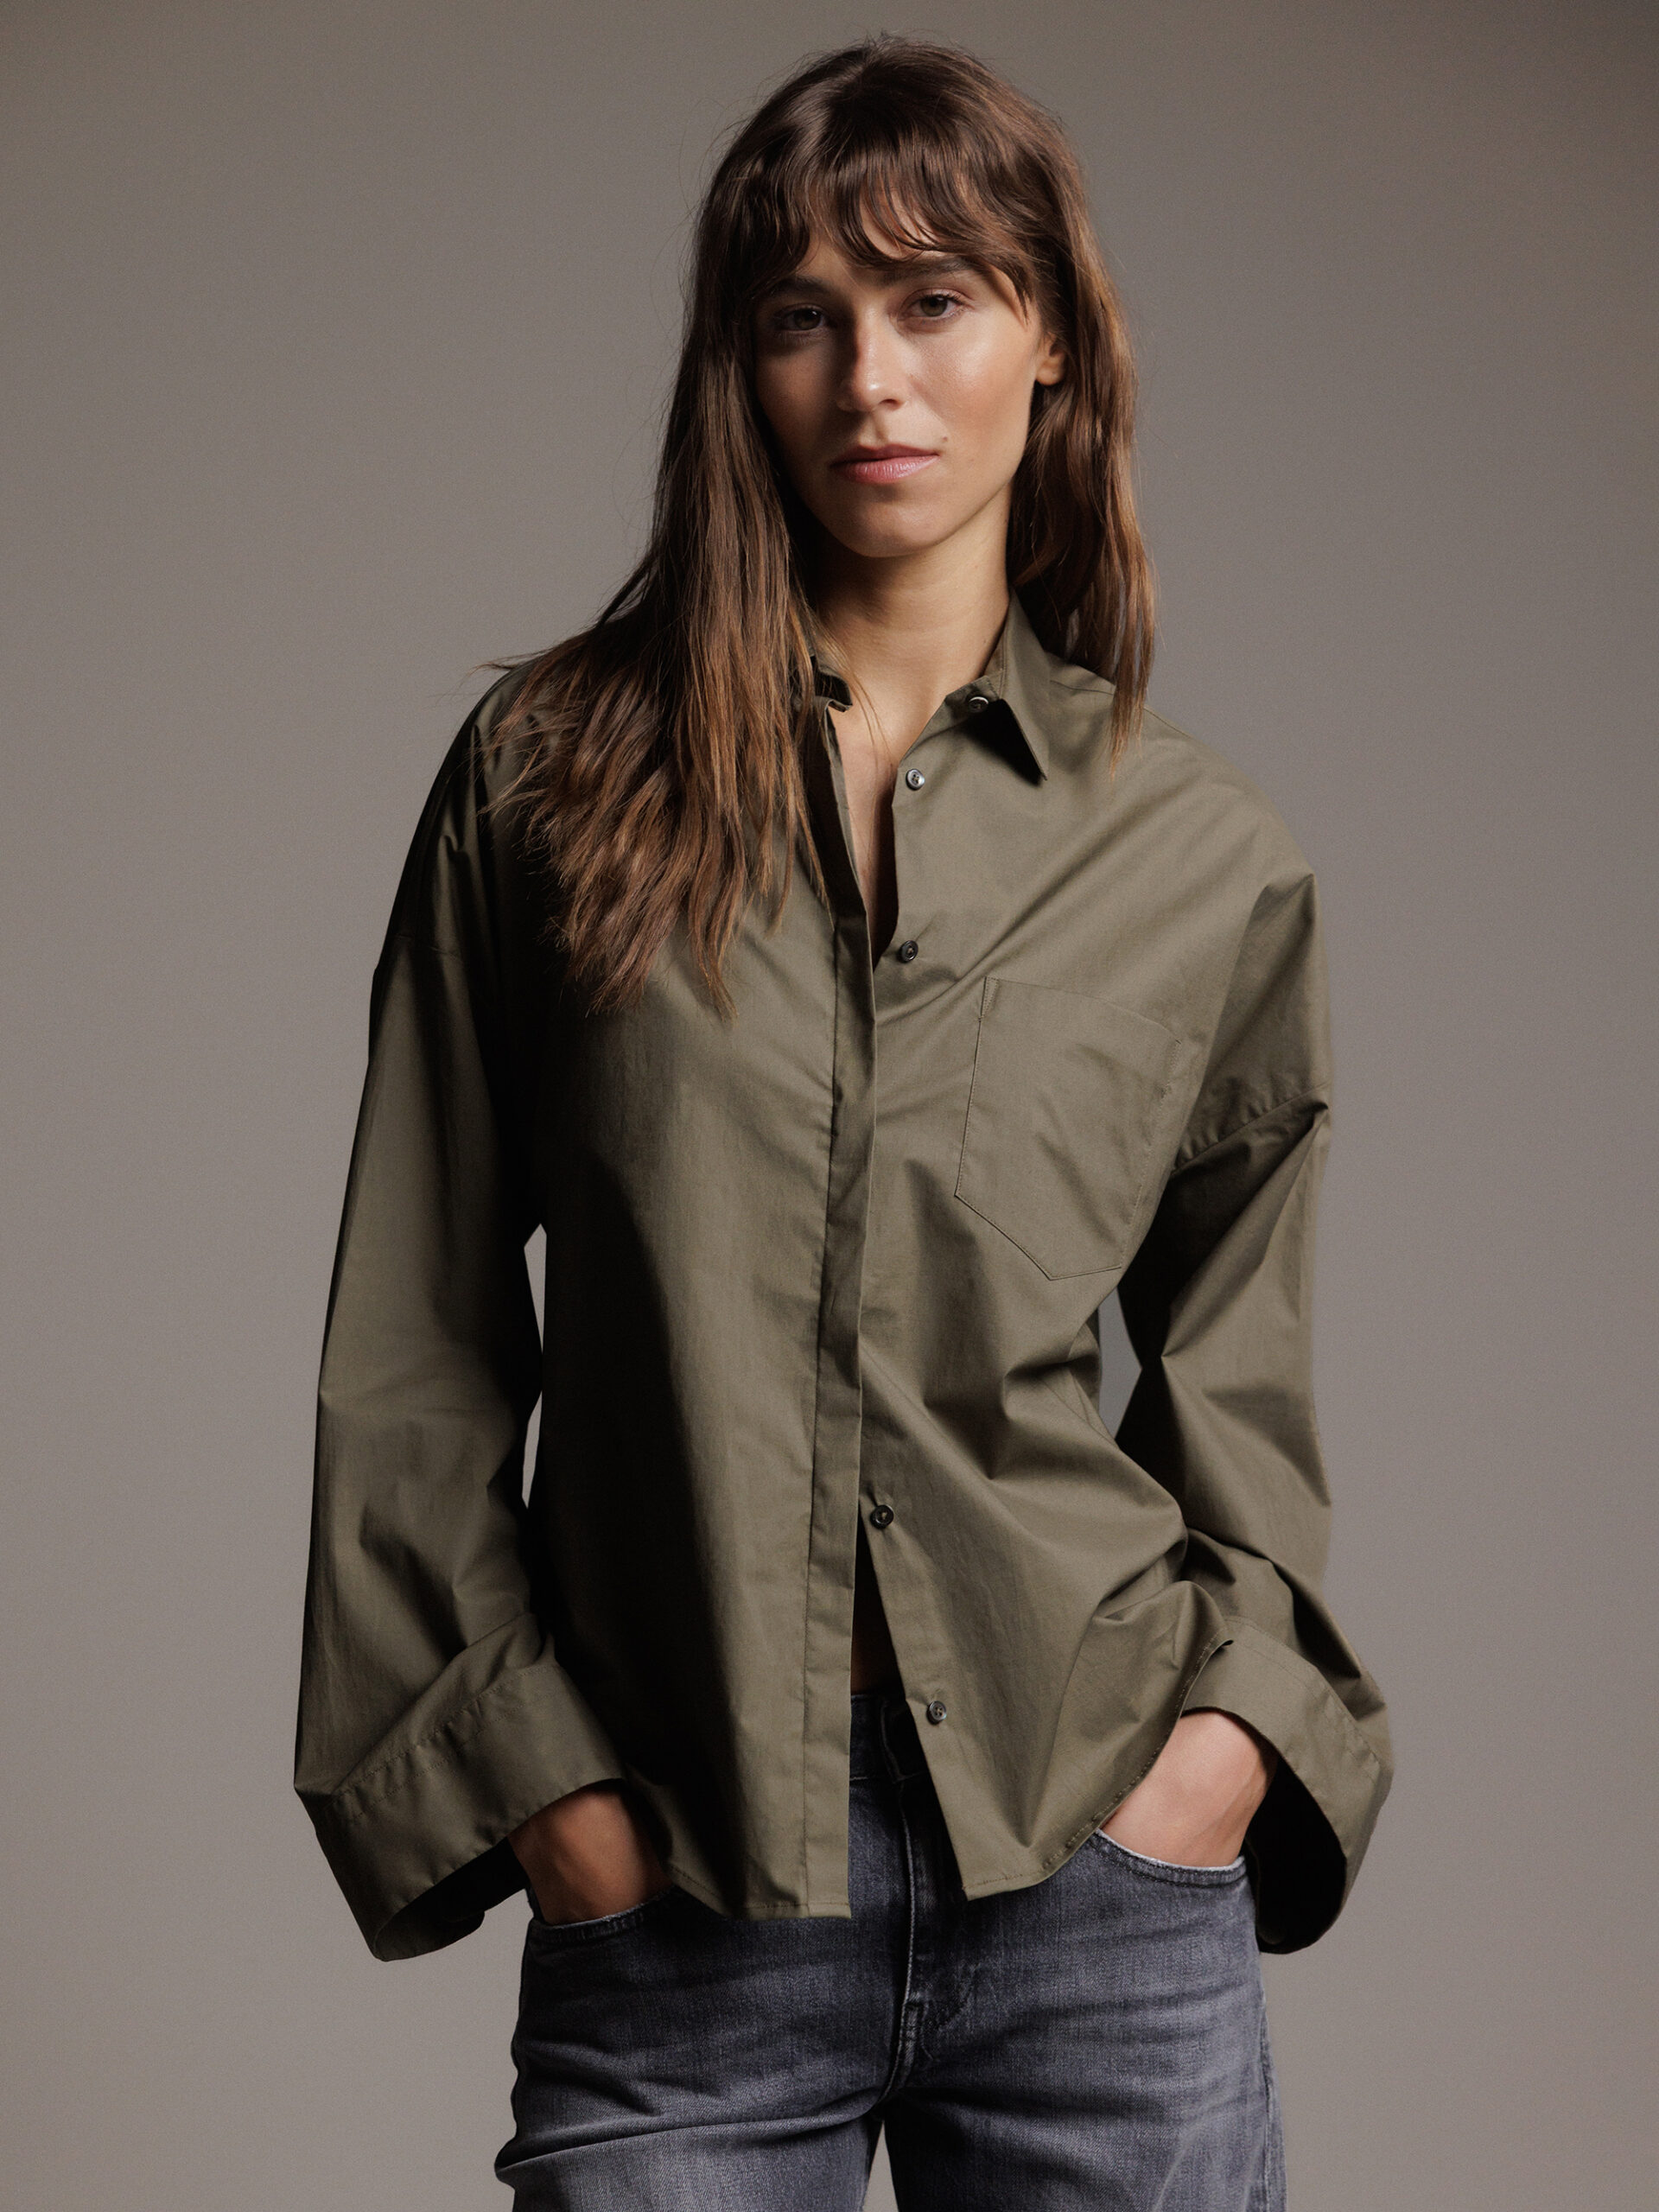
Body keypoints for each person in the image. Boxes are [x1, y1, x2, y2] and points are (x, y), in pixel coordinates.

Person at [296, 34, 1392, 2210]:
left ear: (1051, 336)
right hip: (684, 1879)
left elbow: (1239, 1393)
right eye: (804, 315)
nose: (871, 378)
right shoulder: (548, 785)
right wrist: (553, 1801)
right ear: (742, 363)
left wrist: (1215, 1754)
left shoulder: (1203, 859)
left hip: (1099, 1879)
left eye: (934, 301)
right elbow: (414, 1339)